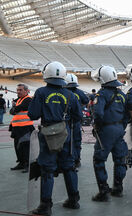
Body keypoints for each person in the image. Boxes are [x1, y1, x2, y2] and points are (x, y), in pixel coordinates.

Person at [28, 61, 82, 215]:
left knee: (47, 169)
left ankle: (46, 206)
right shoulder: (70, 94)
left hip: (48, 135)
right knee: (69, 166)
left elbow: (33, 114)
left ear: (46, 74)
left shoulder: (40, 92)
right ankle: (73, 200)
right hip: (66, 134)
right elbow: (78, 116)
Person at [90, 66, 129, 201]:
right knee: (120, 159)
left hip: (106, 130)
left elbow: (99, 114)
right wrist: (120, 126)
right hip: (119, 129)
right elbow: (127, 115)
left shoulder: (101, 95)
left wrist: (97, 126)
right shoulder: (122, 95)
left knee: (99, 160)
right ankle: (118, 188)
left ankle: (103, 191)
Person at [9, 84, 35, 172]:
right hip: (17, 127)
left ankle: (27, 164)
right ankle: (21, 163)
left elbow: (17, 109)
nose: (18, 92)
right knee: (17, 146)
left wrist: (14, 108)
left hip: (25, 127)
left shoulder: (28, 99)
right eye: (17, 90)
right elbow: (12, 110)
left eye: (20, 90)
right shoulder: (20, 99)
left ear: (26, 91)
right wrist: (14, 108)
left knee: (25, 147)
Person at [65, 74, 89, 168]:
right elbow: (86, 101)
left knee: (65, 141)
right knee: (76, 141)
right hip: (76, 120)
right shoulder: (79, 92)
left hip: (66, 121)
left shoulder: (63, 92)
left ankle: (67, 159)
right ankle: (76, 160)